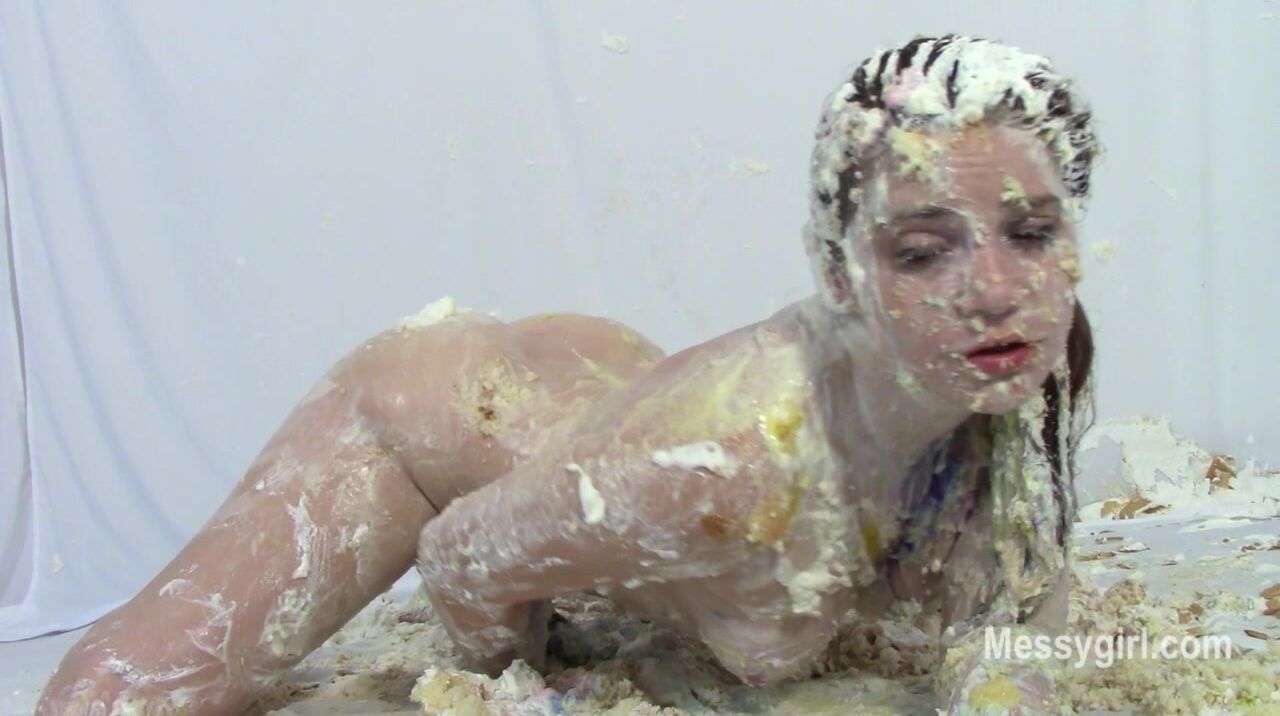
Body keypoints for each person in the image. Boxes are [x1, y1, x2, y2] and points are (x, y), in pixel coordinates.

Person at [38, 34, 1098, 715]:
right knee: (112, 698)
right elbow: (459, 558)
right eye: (923, 251)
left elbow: (1019, 608)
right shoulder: (725, 464)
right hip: (430, 426)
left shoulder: (1023, 365)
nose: (996, 290)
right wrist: (533, 676)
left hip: (606, 400)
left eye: (1030, 232)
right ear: (840, 272)